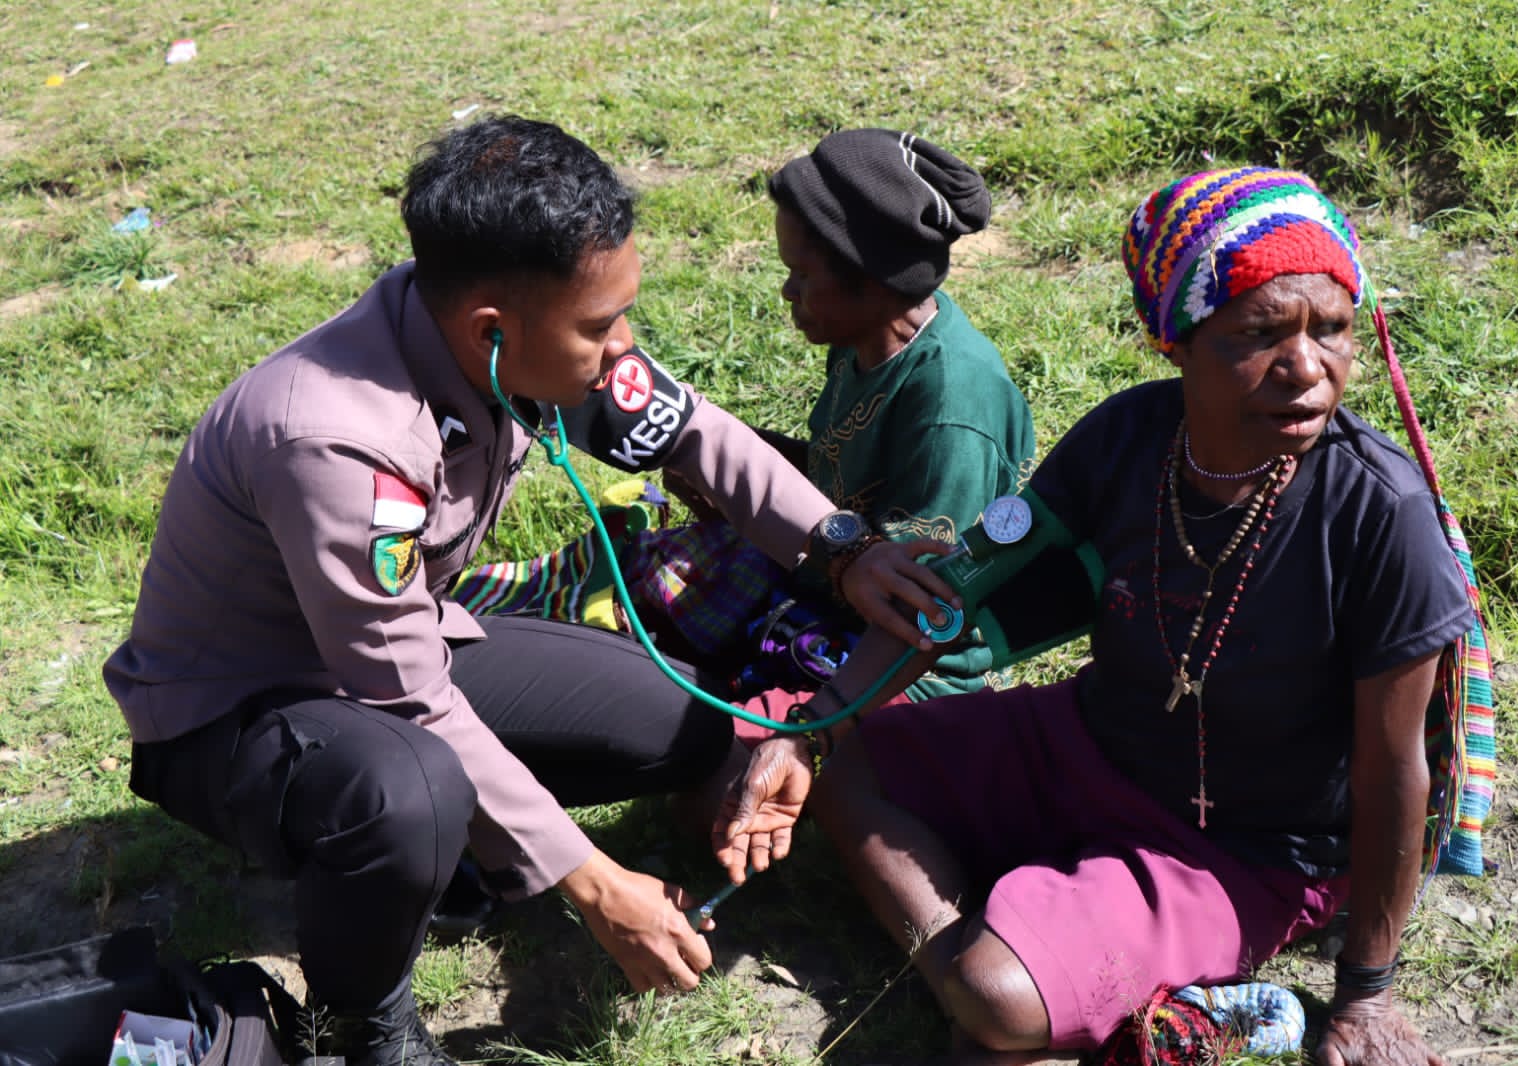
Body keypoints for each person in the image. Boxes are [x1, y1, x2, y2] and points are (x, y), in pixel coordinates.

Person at [102, 115, 953, 1066]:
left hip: (389, 651)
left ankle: (455, 858)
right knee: (409, 788)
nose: (623, 345)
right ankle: (361, 1018)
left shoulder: (509, 337)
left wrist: (842, 548)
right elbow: (406, 699)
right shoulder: (337, 440)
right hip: (235, 710)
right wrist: (595, 885)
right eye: (601, 326)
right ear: (492, 332)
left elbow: (692, 434)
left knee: (681, 722)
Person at [717, 167, 1477, 1065]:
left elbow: (1394, 775)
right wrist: (813, 728)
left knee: (995, 1002)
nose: (1308, 369)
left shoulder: (1379, 517)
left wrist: (1365, 995)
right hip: (1087, 744)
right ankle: (1005, 975)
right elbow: (961, 590)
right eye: (1259, 334)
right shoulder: (1127, 440)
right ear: (1176, 341)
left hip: (1246, 847)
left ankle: (1013, 990)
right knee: (846, 763)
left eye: (1334, 330)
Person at [454, 128, 1035, 740]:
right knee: (654, 570)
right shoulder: (865, 339)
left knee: (725, 744)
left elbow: (924, 600)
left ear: (875, 282)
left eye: (802, 276)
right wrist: (743, 465)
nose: (787, 292)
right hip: (841, 575)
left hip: (903, 658)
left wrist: (816, 716)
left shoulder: (952, 409)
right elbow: (852, 476)